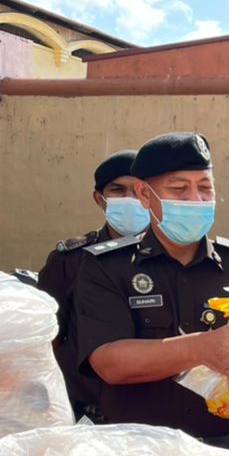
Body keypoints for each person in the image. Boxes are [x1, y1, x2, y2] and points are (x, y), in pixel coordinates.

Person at [72, 132, 229, 456]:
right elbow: (109, 362)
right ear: (145, 195)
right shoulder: (107, 267)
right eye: (179, 189)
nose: (195, 199)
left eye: (205, 187)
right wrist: (204, 349)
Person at [37, 150, 147, 421]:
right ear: (100, 198)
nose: (129, 199)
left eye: (138, 190)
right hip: (89, 415)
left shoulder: (171, 257)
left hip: (155, 412)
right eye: (118, 191)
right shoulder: (71, 260)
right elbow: (47, 339)